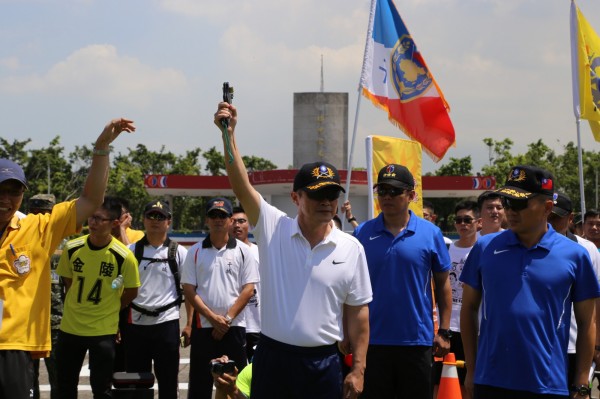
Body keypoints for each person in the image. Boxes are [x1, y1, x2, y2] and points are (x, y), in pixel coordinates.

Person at [214, 102, 372, 399]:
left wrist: (358, 369)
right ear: (296, 197)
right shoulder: (274, 227)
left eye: (331, 195)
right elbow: (241, 184)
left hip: (324, 362)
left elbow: (359, 311)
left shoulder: (352, 248)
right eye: (316, 195)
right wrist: (228, 134)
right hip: (274, 359)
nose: (326, 202)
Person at [0, 118, 135, 399]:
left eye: (14, 191)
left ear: (23, 195)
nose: (6, 198)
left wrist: (101, 149)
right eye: (1, 189)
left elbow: (91, 198)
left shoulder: (38, 228)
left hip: (13, 346)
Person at [460, 165, 600, 399]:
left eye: (520, 203)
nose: (510, 211)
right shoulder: (485, 247)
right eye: (507, 202)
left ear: (547, 207)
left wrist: (582, 381)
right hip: (491, 381)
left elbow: (588, 322)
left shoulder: (574, 255)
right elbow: (468, 309)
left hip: (547, 383)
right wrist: (472, 369)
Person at [353, 164, 452, 399]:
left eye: (395, 191)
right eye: (382, 190)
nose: (387, 196)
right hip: (372, 341)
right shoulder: (362, 233)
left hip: (416, 342)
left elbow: (443, 285)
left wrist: (445, 331)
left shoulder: (430, 233)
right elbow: (350, 288)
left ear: (411, 195)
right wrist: (347, 332)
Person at [55, 196, 140, 399]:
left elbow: (131, 291)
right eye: (91, 217)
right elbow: (68, 281)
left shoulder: (124, 256)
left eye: (99, 219)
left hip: (102, 331)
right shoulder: (72, 248)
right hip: (71, 328)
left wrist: (111, 308)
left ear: (115, 223)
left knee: (101, 388)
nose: (92, 223)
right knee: (65, 385)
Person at [182, 197, 259, 399]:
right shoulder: (195, 251)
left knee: (236, 384)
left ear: (230, 220)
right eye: (213, 215)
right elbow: (189, 290)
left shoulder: (244, 251)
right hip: (204, 327)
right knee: (200, 384)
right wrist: (212, 318)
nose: (218, 220)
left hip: (234, 327)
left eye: (222, 215)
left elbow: (249, 289)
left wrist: (226, 320)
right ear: (206, 220)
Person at [122, 200, 191, 399]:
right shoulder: (132, 252)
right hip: (136, 324)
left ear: (168, 222)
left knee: (168, 380)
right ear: (143, 220)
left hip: (167, 324)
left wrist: (188, 325)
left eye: (160, 217)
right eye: (151, 216)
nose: (155, 221)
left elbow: (189, 290)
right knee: (137, 382)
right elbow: (121, 290)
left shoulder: (179, 252)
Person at [547, 192, 600, 387]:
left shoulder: (586, 250)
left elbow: (596, 303)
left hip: (574, 347)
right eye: (546, 215)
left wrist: (597, 346)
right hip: (542, 347)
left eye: (555, 217)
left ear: (570, 218)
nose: (549, 222)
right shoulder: (528, 247)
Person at [433, 200, 480, 399]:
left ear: (479, 222)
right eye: (459, 220)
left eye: (467, 220)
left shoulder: (483, 249)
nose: (463, 224)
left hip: (474, 327)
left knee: (471, 382)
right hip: (448, 327)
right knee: (440, 380)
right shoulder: (446, 249)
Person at [27, 194, 63, 399]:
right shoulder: (18, 241)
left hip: (58, 324)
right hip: (27, 323)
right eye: (36, 214)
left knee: (59, 379)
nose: (41, 219)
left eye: (46, 214)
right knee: (27, 379)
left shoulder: (66, 244)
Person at [230, 205, 261, 362]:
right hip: (232, 325)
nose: (237, 225)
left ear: (249, 224)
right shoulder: (221, 254)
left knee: (258, 378)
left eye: (241, 221)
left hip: (257, 326)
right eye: (233, 221)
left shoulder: (261, 252)